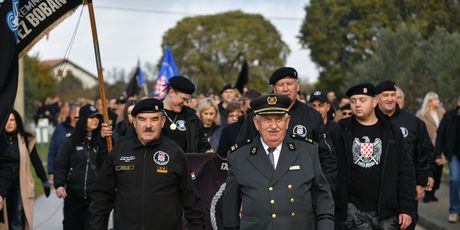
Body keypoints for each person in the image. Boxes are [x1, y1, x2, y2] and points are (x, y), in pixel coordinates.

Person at [89, 98, 206, 229]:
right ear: (134, 121)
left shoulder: (175, 153)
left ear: (163, 122)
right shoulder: (119, 151)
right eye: (142, 119)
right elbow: (101, 197)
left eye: (154, 119)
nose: (148, 125)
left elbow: (192, 201)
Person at [223, 94, 334, 230]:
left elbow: (323, 197)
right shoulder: (239, 156)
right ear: (257, 123)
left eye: (279, 119)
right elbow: (230, 211)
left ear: (287, 122)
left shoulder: (307, 150)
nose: (274, 126)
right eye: (267, 119)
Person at [330, 83, 415, 229]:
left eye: (362, 100)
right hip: (353, 211)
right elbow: (331, 168)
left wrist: (406, 208)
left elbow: (405, 170)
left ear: (374, 102)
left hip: (387, 211)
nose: (357, 104)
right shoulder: (341, 131)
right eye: (353, 101)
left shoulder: (391, 131)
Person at [237, 67, 336, 190]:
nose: (285, 89)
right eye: (280, 85)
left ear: (298, 86)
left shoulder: (312, 116)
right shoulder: (257, 115)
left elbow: (327, 157)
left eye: (289, 84)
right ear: (273, 88)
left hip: (303, 192)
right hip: (264, 189)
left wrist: (323, 191)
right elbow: (241, 152)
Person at [375, 80, 434, 229]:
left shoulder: (414, 123)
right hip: (376, 189)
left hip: (406, 188)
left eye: (393, 95)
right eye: (385, 95)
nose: (390, 99)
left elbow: (423, 153)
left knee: (405, 225)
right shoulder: (370, 121)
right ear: (376, 98)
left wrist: (421, 183)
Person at [54, 104, 105, 230]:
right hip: (73, 196)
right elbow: (61, 164)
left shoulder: (103, 140)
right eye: (91, 117)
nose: (95, 120)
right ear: (82, 119)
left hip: (95, 198)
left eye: (97, 117)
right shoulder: (71, 141)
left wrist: (104, 140)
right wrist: (59, 184)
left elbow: (108, 164)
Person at [0, 110, 49, 230]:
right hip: (2, 188)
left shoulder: (26, 140)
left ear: (17, 122)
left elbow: (36, 161)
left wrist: (44, 181)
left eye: (12, 120)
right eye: (6, 120)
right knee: (4, 223)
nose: (9, 123)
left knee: (17, 223)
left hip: (20, 187)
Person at [162, 76, 210, 153]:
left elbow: (201, 142)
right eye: (183, 99)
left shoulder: (191, 116)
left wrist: (207, 151)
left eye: (188, 100)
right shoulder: (153, 113)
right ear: (171, 92)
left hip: (188, 163)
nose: (185, 103)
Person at [434, 96, 460, 223]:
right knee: (454, 180)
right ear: (458, 103)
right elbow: (440, 134)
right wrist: (438, 154)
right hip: (454, 155)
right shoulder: (449, 116)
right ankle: (454, 211)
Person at [416, 92, 446, 202]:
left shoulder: (442, 112)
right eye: (436, 99)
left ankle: (433, 191)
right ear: (430, 101)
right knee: (430, 170)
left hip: (440, 146)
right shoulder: (421, 114)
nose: (438, 101)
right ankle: (427, 192)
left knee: (438, 171)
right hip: (427, 147)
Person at [47, 103, 80, 184]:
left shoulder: (85, 131)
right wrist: (51, 172)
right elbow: (52, 150)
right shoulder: (60, 129)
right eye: (80, 114)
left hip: (79, 172)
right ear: (72, 116)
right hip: (63, 172)